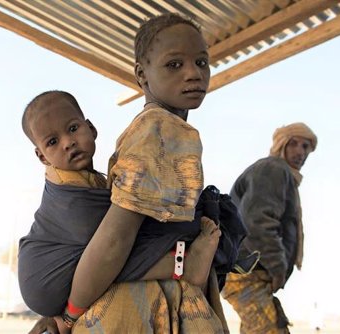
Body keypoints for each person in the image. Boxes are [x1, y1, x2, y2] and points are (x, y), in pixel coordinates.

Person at [30, 13, 231, 334]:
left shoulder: (150, 127)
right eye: (174, 64)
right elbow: (114, 239)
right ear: (142, 75)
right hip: (142, 310)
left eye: (202, 62)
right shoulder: (160, 129)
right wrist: (68, 316)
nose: (194, 73)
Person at [18, 90, 220, 317]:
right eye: (53, 142)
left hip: (54, 280)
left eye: (73, 129)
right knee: (113, 248)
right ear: (43, 157)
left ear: (91, 129)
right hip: (46, 279)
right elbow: (112, 242)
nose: (68, 143)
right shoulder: (68, 196)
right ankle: (181, 265)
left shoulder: (90, 180)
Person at [221, 122, 318, 334]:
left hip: (250, 272)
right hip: (246, 273)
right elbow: (258, 222)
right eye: (294, 144)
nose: (301, 152)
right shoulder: (274, 168)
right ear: (281, 145)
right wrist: (278, 266)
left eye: (306, 147)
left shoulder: (281, 174)